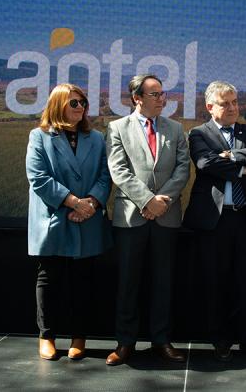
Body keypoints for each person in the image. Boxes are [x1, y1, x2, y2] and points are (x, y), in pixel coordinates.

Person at [183, 81, 246, 362]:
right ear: (210, 107)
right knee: (215, 281)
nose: (233, 107)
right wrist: (243, 167)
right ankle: (220, 340)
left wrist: (232, 155)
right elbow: (205, 164)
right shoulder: (199, 133)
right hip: (214, 220)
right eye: (225, 103)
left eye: (235, 102)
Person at [104, 74, 189, 365]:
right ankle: (125, 343)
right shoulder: (117, 128)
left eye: (163, 93)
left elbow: (182, 170)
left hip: (166, 216)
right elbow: (119, 171)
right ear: (137, 98)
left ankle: (161, 341)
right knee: (128, 282)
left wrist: (161, 201)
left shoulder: (176, 129)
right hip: (132, 218)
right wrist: (147, 201)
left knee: (163, 282)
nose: (162, 99)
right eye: (155, 94)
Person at [25, 83, 112, 360]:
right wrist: (74, 203)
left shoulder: (96, 138)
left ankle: (79, 337)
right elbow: (38, 177)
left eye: (83, 103)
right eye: (74, 103)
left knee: (82, 281)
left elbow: (105, 176)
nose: (81, 108)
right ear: (57, 105)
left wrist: (92, 204)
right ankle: (46, 336)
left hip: (87, 218)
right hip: (54, 217)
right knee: (48, 279)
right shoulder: (39, 136)